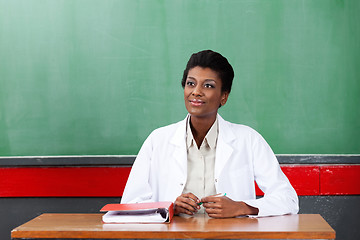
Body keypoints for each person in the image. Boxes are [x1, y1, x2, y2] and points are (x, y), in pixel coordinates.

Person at [121, 50, 299, 218]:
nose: (196, 91)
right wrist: (169, 208)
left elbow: (288, 199)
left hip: (229, 237)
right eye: (191, 83)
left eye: (208, 85)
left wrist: (241, 207)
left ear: (224, 96)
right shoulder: (158, 140)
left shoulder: (248, 139)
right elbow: (129, 204)